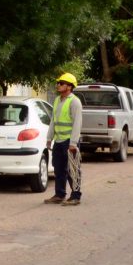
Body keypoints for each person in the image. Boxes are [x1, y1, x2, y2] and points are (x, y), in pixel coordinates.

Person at [45, 72, 83, 206]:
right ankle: (59, 194)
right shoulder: (57, 100)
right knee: (59, 169)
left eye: (61, 83)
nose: (58, 85)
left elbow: (77, 123)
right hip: (59, 140)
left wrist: (73, 143)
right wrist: (49, 138)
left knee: (72, 169)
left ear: (69, 86)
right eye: (58, 83)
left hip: (69, 141)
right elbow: (53, 121)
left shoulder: (74, 102)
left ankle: (75, 196)